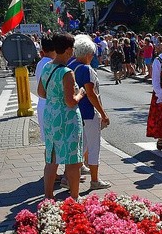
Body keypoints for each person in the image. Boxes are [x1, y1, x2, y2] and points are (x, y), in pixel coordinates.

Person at [36, 33, 87, 200]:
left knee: (52, 157)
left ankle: (48, 196)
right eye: (72, 48)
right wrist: (80, 93)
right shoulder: (67, 72)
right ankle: (75, 197)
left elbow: (41, 93)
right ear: (67, 50)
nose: (73, 51)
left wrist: (54, 97)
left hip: (50, 115)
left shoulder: (47, 67)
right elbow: (71, 102)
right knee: (72, 159)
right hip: (67, 119)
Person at [68, 34, 112, 190]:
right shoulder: (86, 68)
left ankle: (69, 177)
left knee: (81, 146)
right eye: (92, 54)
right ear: (87, 54)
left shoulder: (71, 65)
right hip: (88, 112)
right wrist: (103, 113)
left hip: (75, 112)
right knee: (93, 147)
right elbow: (91, 93)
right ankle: (95, 180)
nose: (93, 57)